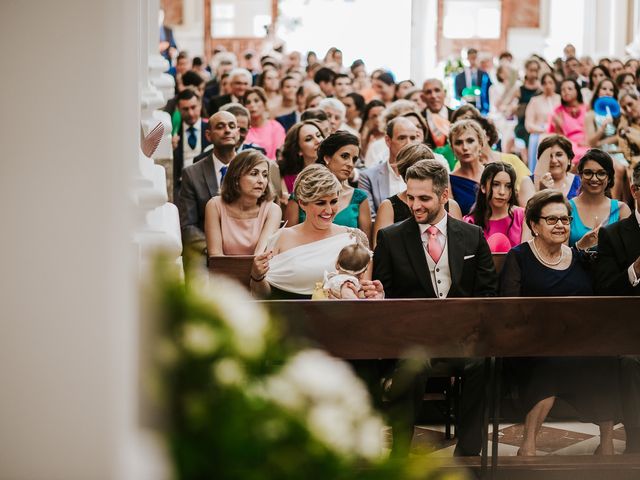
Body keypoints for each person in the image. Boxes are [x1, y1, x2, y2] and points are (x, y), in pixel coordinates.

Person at [373, 158, 497, 456]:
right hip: (413, 337)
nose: (415, 205)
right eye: (410, 197)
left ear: (444, 196)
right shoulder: (390, 238)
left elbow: (488, 292)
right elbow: (383, 296)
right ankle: (399, 453)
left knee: (482, 362)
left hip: (461, 337)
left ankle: (469, 452)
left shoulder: (472, 236)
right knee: (411, 365)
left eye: (424, 198)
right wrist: (377, 295)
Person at [500, 190, 616, 456]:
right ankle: (528, 443)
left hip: (579, 342)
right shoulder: (519, 257)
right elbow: (508, 307)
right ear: (534, 225)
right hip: (533, 344)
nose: (561, 225)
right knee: (549, 361)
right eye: (552, 220)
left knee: (606, 357)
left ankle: (607, 442)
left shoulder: (580, 258)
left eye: (565, 219)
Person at [250, 164, 383, 300]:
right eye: (320, 203)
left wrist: (375, 295)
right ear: (302, 203)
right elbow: (262, 297)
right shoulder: (281, 238)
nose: (329, 210)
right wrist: (257, 276)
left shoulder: (354, 238)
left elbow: (363, 295)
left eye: (333, 202)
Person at [595, 163, 640, 453]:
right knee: (630, 362)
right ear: (636, 191)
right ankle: (636, 440)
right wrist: (636, 268)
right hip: (629, 327)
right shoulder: (613, 235)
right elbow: (605, 288)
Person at [286, 131, 371, 240]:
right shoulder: (300, 196)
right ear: (327, 158)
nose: (350, 164)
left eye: (354, 159)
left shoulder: (360, 198)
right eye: (344, 156)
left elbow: (366, 246)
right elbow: (288, 241)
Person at [372, 143, 462, 246]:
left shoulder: (451, 205)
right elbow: (380, 248)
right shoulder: (389, 206)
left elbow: (460, 244)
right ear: (403, 174)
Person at [177, 111, 239, 260]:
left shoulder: (251, 170)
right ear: (208, 135)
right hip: (205, 250)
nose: (227, 130)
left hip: (245, 249)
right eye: (220, 126)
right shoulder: (192, 174)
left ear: (238, 132)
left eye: (232, 126)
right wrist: (214, 251)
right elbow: (188, 226)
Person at [204, 150, 282, 255]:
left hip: (259, 271)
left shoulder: (273, 210)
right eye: (254, 174)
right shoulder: (214, 205)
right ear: (236, 178)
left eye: (265, 175)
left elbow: (260, 256)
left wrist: (253, 270)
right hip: (220, 270)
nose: (261, 180)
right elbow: (215, 255)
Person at [358, 117, 421, 218]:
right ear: (388, 140)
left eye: (413, 138)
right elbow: (370, 219)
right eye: (402, 138)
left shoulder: (427, 175)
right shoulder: (368, 177)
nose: (409, 143)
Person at [569, 149, 631, 248]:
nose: (594, 179)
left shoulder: (622, 210)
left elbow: (628, 252)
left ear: (609, 177)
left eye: (601, 173)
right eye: (588, 173)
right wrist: (579, 246)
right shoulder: (567, 208)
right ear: (580, 176)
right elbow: (558, 253)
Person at [464, 162, 529, 252]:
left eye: (508, 186)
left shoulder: (523, 216)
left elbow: (526, 256)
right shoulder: (469, 222)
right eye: (496, 184)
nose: (502, 192)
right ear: (483, 187)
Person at [172, 89, 211, 199]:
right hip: (181, 186)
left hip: (206, 184)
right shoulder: (173, 133)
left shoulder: (211, 129)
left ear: (200, 105)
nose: (190, 113)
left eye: (193, 107)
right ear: (178, 109)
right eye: (185, 109)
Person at [448, 119, 485, 215]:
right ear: (452, 148)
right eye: (458, 143)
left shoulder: (493, 174)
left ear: (480, 144)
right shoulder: (449, 181)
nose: (465, 147)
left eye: (470, 141)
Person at [278, 119, 325, 196]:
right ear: (298, 150)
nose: (318, 141)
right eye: (309, 139)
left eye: (318, 135)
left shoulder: (336, 170)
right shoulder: (287, 180)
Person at [548, 78, 589, 164]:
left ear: (577, 91)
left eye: (570, 89)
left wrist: (587, 141)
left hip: (588, 141)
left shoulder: (587, 108)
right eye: (563, 90)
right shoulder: (558, 111)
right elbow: (557, 136)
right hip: (569, 143)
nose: (566, 91)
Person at [525, 72, 560, 170]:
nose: (547, 86)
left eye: (550, 82)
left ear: (555, 84)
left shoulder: (560, 99)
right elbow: (528, 124)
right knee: (537, 140)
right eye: (544, 83)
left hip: (557, 131)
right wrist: (543, 130)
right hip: (538, 132)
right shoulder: (535, 100)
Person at [242, 86, 286, 161]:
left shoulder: (275, 127)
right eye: (248, 102)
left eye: (256, 101)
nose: (252, 105)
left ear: (264, 103)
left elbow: (280, 155)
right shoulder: (243, 129)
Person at [454, 48, 492, 114]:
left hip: (481, 108)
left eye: (474, 58)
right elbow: (457, 95)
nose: (472, 60)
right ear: (467, 59)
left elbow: (489, 92)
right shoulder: (459, 77)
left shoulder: (484, 75)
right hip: (465, 108)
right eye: (470, 58)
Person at [618, 90, 640, 168]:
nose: (629, 110)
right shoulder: (624, 128)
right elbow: (628, 156)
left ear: (638, 100)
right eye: (624, 108)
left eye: (630, 104)